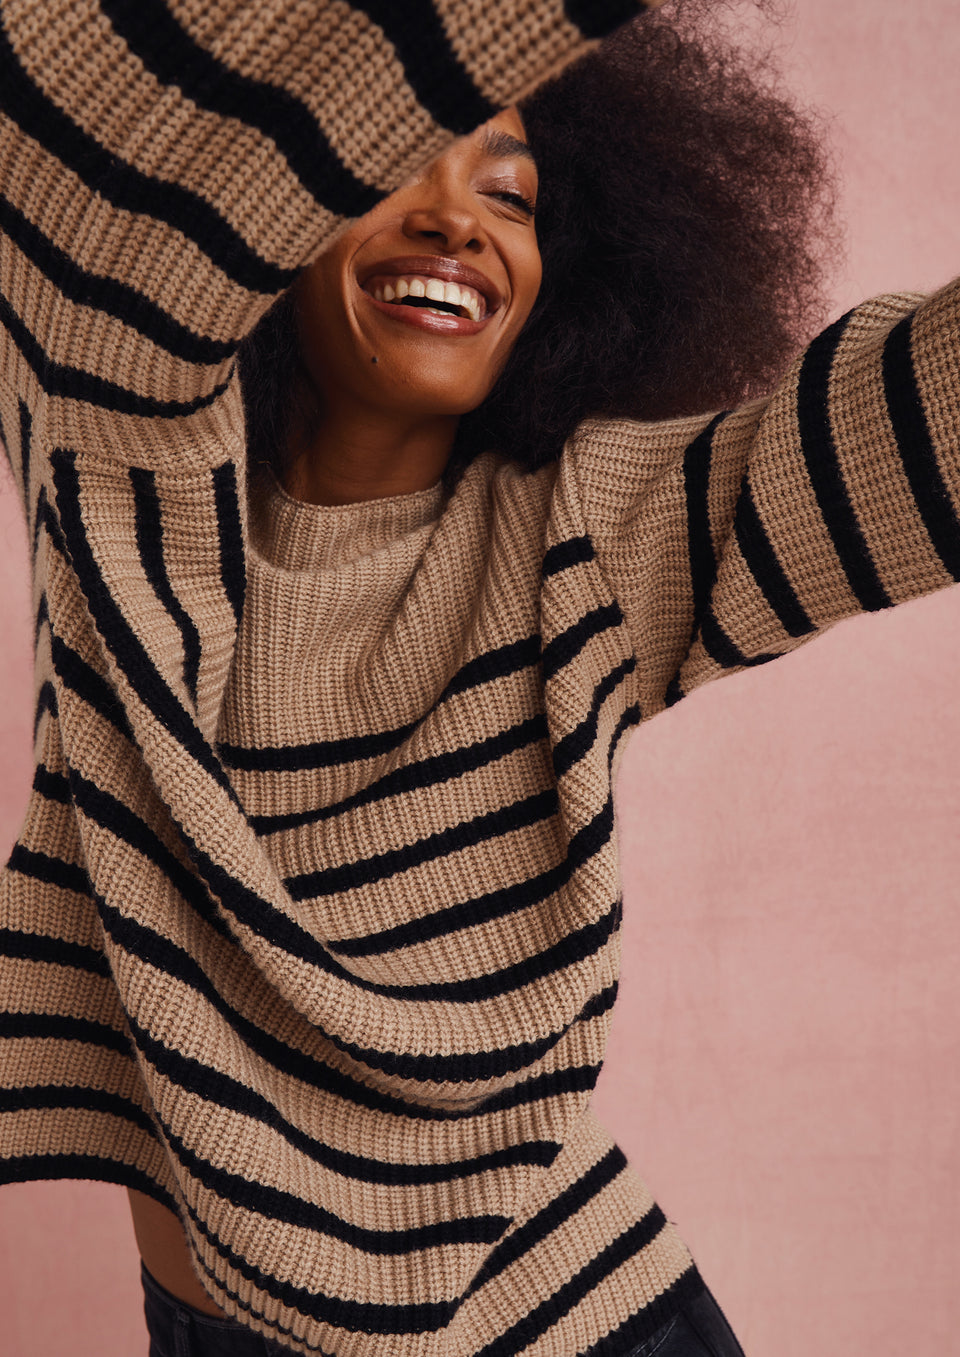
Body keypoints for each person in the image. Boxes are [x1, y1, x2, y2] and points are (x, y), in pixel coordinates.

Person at [0, 3, 957, 1356]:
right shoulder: (116, 481)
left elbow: (903, 425)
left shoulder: (584, 532)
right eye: (392, 164)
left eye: (512, 197)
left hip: (576, 1323)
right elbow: (66, 141)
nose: (459, 221)